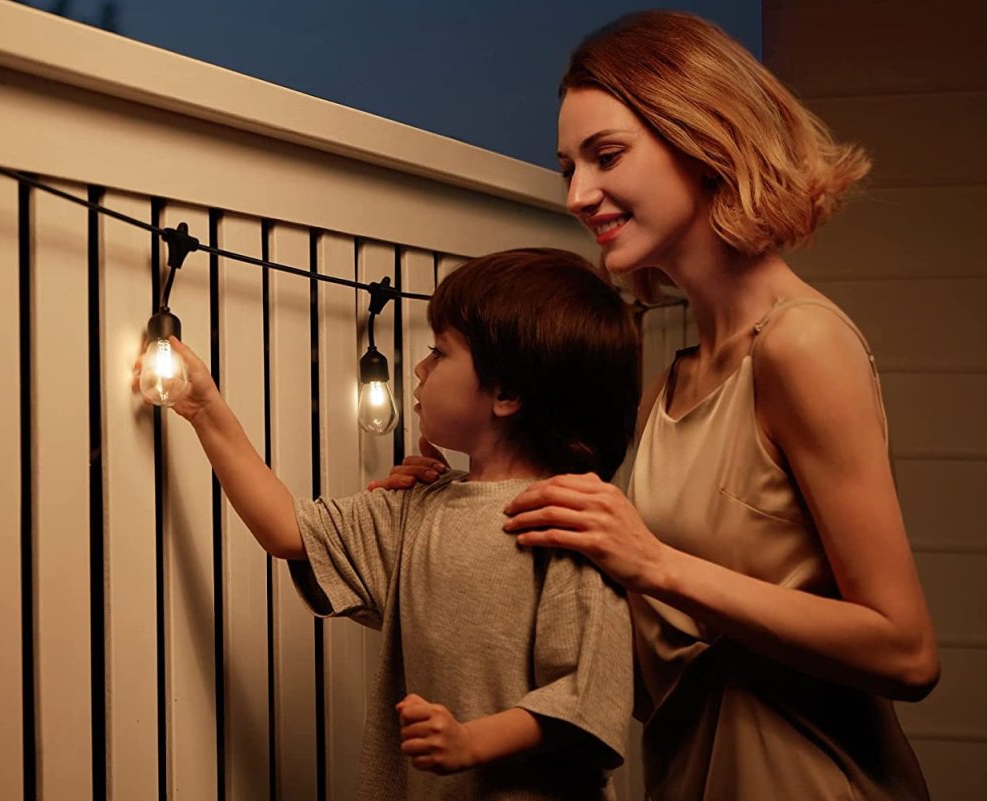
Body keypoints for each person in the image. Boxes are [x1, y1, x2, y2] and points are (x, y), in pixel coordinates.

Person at [377, 11, 939, 801]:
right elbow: (620, 661)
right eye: (568, 165)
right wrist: (453, 515)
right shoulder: (666, 388)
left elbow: (907, 653)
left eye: (607, 156)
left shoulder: (801, 345)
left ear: (705, 138)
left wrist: (658, 563)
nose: (577, 194)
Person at [150, 248, 640, 800]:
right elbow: (289, 530)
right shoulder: (419, 505)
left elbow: (588, 695)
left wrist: (471, 742)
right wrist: (205, 408)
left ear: (506, 393)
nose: (419, 367)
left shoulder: (572, 521)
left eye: (439, 351)